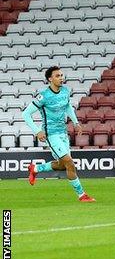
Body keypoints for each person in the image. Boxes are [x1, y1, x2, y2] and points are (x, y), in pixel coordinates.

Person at [22, 66, 96, 202]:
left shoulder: (65, 91)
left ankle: (36, 168)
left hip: (63, 132)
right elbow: (25, 114)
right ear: (50, 79)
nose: (61, 78)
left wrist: (75, 122)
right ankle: (82, 195)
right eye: (57, 76)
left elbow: (67, 106)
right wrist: (37, 131)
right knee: (69, 162)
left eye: (62, 75)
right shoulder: (43, 96)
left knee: (63, 165)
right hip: (51, 134)